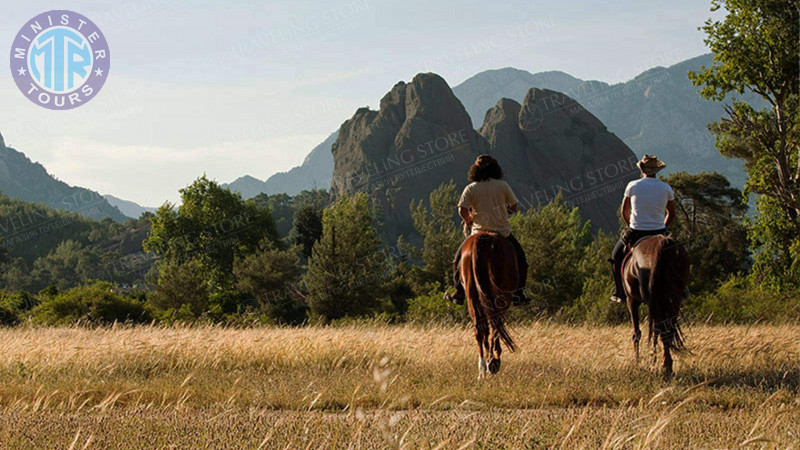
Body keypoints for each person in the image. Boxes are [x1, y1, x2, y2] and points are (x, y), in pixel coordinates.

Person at [444, 154, 530, 306]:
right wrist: (503, 212)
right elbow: (514, 207)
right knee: (522, 261)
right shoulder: (502, 186)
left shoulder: (471, 188)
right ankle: (518, 294)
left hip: (478, 232)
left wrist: (469, 219)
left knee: (457, 261)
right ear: (495, 169)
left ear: (475, 170)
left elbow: (462, 210)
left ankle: (458, 293)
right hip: (502, 232)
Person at [610, 155, 676, 303]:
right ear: (657, 171)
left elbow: (624, 211)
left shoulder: (632, 185)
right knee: (676, 256)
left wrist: (630, 225)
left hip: (636, 232)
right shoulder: (666, 188)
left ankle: (620, 292)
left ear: (642, 170)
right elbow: (671, 213)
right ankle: (682, 288)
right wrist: (663, 227)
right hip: (659, 232)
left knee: (616, 257)